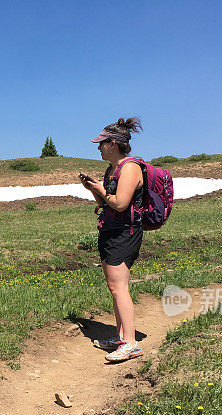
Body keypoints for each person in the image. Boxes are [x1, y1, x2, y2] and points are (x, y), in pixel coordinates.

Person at [79, 117, 145, 362]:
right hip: (111, 230)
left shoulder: (130, 168)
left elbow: (119, 203)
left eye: (102, 143)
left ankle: (131, 343)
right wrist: (95, 191)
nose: (98, 148)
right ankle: (121, 338)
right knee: (114, 288)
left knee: (119, 288)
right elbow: (106, 204)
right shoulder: (113, 170)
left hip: (124, 233)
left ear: (113, 144)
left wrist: (103, 191)